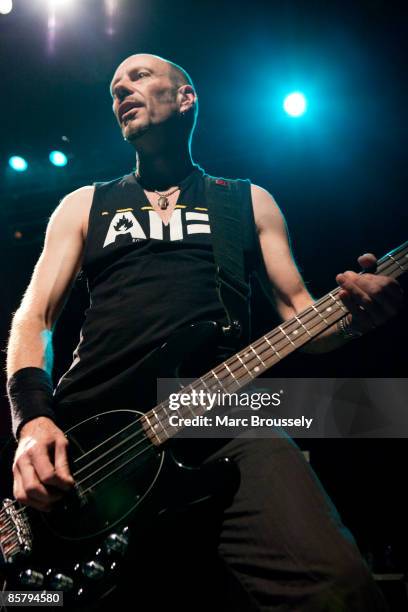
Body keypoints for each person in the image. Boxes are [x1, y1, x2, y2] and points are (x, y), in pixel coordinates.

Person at [6, 53, 403, 611]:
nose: (121, 91)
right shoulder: (84, 204)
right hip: (95, 428)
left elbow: (303, 318)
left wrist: (359, 318)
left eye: (138, 78)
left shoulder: (245, 200)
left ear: (186, 97)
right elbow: (35, 317)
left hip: (224, 410)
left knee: (339, 589)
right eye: (114, 88)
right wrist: (33, 419)